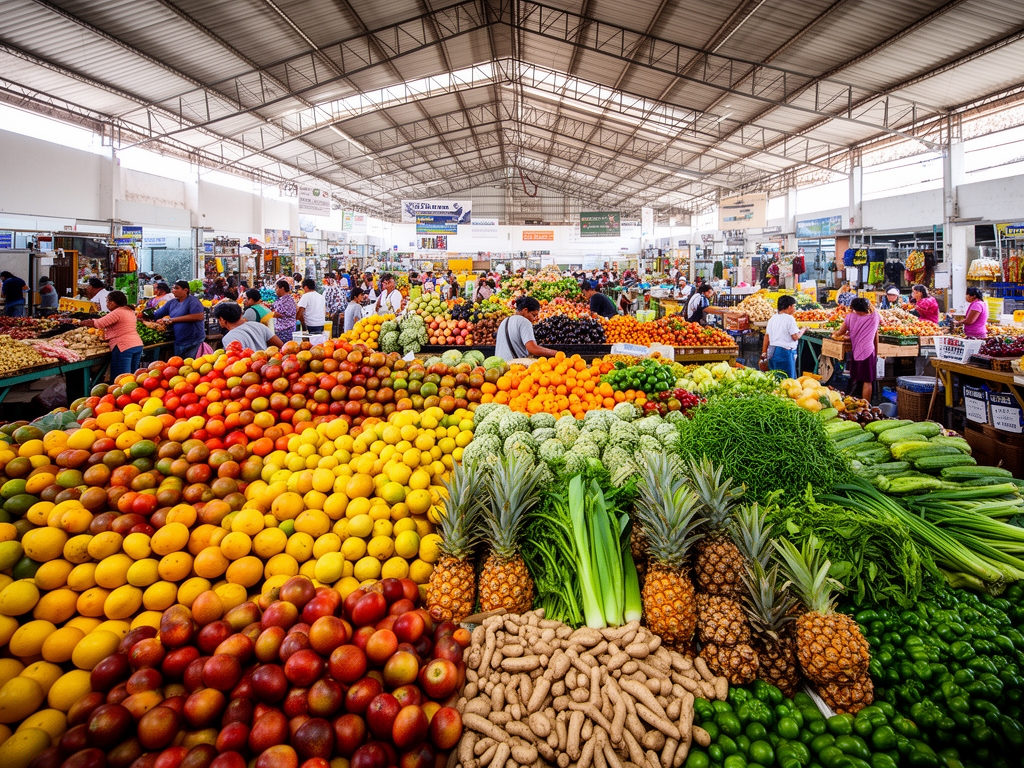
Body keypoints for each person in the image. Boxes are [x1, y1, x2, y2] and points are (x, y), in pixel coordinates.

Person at [81, 291, 145, 379]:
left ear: (113, 302)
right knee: (133, 376)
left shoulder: (118, 312)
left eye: (107, 301)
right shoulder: (129, 311)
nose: (107, 304)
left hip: (124, 346)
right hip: (137, 344)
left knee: (122, 378)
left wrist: (80, 322)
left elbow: (99, 323)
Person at [833, 297, 880, 403]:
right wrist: (876, 352)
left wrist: (834, 334)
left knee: (856, 378)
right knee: (867, 381)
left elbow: (840, 332)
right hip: (868, 352)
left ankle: (856, 402)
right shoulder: (874, 317)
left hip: (855, 353)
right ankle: (866, 406)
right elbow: (876, 336)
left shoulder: (849, 317)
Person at [153, 281, 206, 359]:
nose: (173, 290)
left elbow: (199, 316)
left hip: (193, 341)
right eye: (173, 288)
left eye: (177, 288)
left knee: (192, 366)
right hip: (179, 341)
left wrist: (173, 320)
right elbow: (156, 314)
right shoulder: (171, 303)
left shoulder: (193, 301)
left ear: (186, 290)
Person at [494, 296, 558, 361]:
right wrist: (556, 353)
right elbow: (532, 349)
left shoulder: (504, 321)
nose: (534, 319)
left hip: (499, 366)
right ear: (525, 310)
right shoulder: (524, 322)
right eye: (533, 315)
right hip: (513, 368)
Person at [761, 295, 804, 379]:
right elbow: (795, 337)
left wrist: (764, 353)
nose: (795, 308)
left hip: (772, 352)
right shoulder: (789, 318)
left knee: (775, 378)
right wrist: (803, 330)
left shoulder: (773, 318)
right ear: (789, 307)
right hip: (784, 353)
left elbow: (767, 336)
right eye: (794, 306)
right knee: (788, 380)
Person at [214, 301, 283, 351]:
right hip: (266, 368)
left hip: (247, 370)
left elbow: (237, 364)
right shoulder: (259, 326)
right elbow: (281, 347)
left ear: (222, 319)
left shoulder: (229, 338)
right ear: (241, 315)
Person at [273, 280, 297, 344]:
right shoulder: (282, 299)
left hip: (286, 330)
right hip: (281, 329)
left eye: (277, 288)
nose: (276, 290)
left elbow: (288, 314)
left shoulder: (287, 300)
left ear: (282, 288)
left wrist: (276, 314)